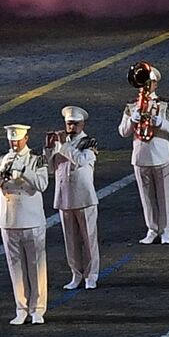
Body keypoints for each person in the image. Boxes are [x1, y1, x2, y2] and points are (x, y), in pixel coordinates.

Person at [0, 124, 50, 324]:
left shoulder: (35, 159)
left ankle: (38, 309)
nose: (14, 143)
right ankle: (21, 308)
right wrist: (0, 171)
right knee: (15, 267)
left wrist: (23, 171)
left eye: (17, 139)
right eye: (11, 140)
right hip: (9, 219)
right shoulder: (0, 158)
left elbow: (42, 184)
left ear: (26, 138)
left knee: (36, 265)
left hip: (31, 219)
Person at [119, 66, 169, 244]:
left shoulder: (164, 105)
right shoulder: (132, 105)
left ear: (155, 84)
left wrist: (160, 122)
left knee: (164, 197)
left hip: (161, 156)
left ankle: (166, 230)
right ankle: (152, 229)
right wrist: (132, 120)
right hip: (140, 157)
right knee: (146, 198)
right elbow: (123, 132)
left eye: (150, 83)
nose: (147, 86)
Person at [44, 107, 100, 290]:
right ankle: (76, 274)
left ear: (82, 124)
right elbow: (50, 168)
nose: (72, 127)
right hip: (64, 197)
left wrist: (62, 146)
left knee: (89, 238)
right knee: (71, 241)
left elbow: (82, 160)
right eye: (69, 124)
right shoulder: (62, 143)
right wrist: (49, 148)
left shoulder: (88, 142)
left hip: (84, 197)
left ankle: (91, 275)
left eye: (75, 124)